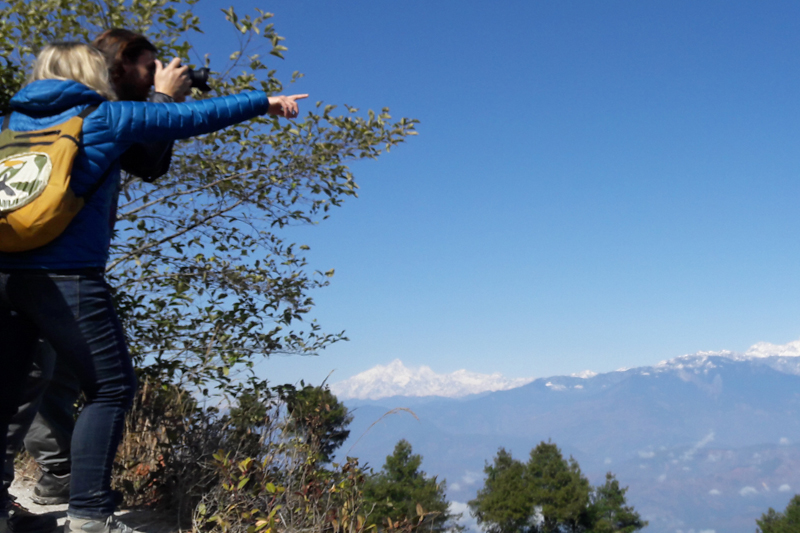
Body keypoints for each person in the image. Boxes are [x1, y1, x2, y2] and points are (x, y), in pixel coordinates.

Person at [0, 41, 306, 533]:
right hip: (69, 276)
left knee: (7, 389)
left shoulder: (10, 127)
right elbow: (192, 119)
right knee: (111, 387)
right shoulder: (104, 117)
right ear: (87, 71)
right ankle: (91, 517)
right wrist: (263, 101)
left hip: (6, 276)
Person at [2, 31, 192, 523]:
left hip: (16, 269)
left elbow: (147, 161)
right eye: (149, 68)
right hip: (62, 273)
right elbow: (152, 160)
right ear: (119, 66)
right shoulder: (93, 115)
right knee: (79, 383)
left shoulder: (25, 117)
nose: (154, 75)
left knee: (39, 378)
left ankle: (51, 481)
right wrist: (166, 101)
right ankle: (83, 506)